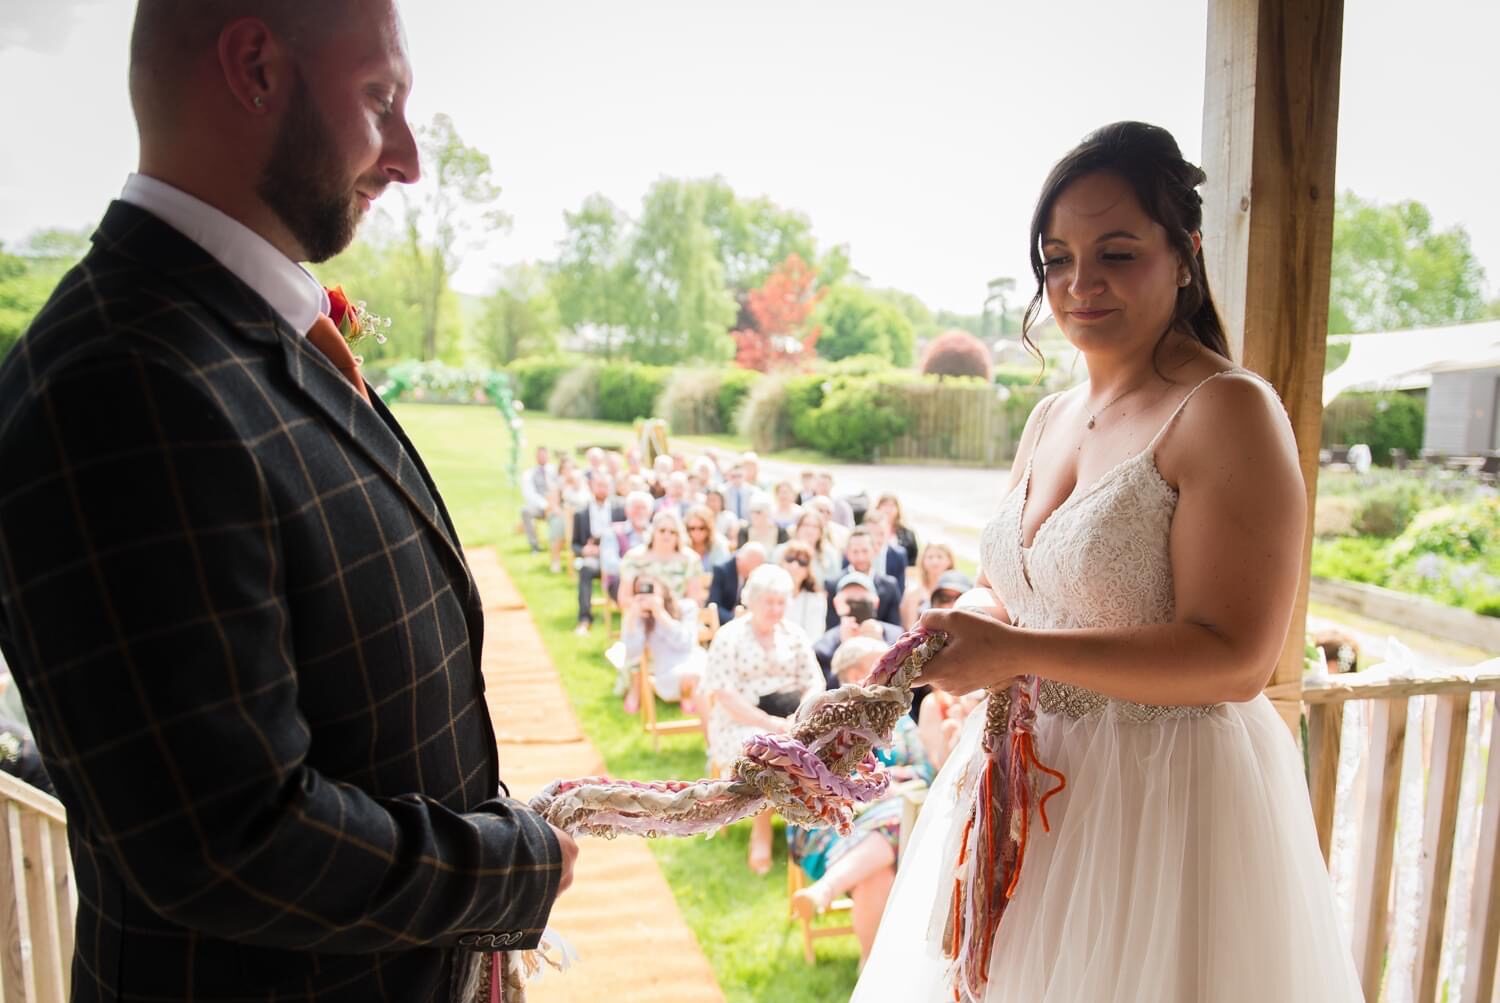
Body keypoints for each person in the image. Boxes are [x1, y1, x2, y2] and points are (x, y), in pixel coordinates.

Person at [0, 4, 577, 999]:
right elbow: (227, 837)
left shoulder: (236, 332)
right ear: (257, 67)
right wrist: (511, 868)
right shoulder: (124, 379)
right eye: (380, 98)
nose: (407, 158)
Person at [852, 122, 1360, 1002]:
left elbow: (1235, 658)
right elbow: (1018, 590)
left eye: (1116, 253)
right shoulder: (1050, 415)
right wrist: (948, 636)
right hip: (1026, 784)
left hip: (1162, 806)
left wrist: (1017, 654)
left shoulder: (1224, 409)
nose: (1080, 284)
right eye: (1057, 260)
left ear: (1184, 255)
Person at [788, 637, 959, 970]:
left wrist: (880, 783)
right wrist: (865, 788)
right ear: (855, 672)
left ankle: (832, 898)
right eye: (880, 664)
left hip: (891, 817)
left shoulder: (899, 719)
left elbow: (924, 770)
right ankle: (872, 967)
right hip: (832, 823)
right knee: (891, 835)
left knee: (880, 866)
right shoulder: (820, 717)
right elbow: (808, 781)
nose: (890, 671)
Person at [700, 564, 825, 874]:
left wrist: (799, 714)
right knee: (767, 751)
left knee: (824, 744)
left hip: (791, 715)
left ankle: (814, 824)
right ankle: (762, 829)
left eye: (781, 602)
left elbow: (815, 682)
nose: (775, 609)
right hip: (740, 719)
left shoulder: (793, 634)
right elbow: (725, 696)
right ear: (752, 601)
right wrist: (770, 723)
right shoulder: (730, 636)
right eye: (769, 602)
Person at [619, 574, 706, 714]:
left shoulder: (686, 607)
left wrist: (661, 614)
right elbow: (631, 653)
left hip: (694, 659)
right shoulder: (638, 616)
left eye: (650, 588)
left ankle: (692, 699)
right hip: (667, 670)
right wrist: (632, 619)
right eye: (640, 590)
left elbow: (686, 643)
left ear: (661, 588)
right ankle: (692, 701)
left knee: (696, 674)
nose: (646, 594)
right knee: (690, 676)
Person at [813, 573, 904, 688]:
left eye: (863, 602)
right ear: (837, 604)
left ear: (876, 602)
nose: (856, 606)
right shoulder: (824, 647)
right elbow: (826, 690)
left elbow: (910, 684)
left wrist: (880, 645)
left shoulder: (898, 638)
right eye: (850, 601)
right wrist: (845, 647)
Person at [573, 475, 624, 634]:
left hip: (615, 556)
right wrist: (584, 551)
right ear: (591, 487)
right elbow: (574, 545)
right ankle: (585, 618)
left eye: (605, 485)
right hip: (593, 557)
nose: (602, 489)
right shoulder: (581, 513)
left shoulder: (620, 509)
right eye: (598, 485)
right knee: (586, 569)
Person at [825, 528, 901, 629]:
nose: (861, 557)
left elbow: (894, 628)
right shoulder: (833, 585)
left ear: (874, 551)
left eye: (865, 551)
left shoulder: (889, 586)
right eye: (855, 552)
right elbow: (831, 627)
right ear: (847, 553)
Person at [619, 508, 697, 602]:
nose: (667, 535)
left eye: (672, 532)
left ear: (678, 536)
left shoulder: (690, 559)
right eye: (662, 530)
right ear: (653, 532)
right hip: (643, 610)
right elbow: (624, 599)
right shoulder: (634, 558)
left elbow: (694, 600)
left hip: (678, 612)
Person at [777, 539, 829, 640]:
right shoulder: (767, 594)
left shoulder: (816, 600)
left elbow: (815, 636)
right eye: (790, 559)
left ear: (808, 571)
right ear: (781, 563)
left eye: (802, 562)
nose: (795, 566)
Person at [899, 543, 959, 628]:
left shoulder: (955, 591)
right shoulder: (914, 592)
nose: (935, 561)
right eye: (930, 557)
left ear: (949, 561)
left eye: (939, 557)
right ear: (923, 561)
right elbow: (910, 627)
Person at [708, 543, 768, 625]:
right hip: (724, 622)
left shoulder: (757, 575)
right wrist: (736, 620)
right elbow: (714, 604)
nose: (755, 568)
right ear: (740, 559)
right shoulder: (722, 570)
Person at [860, 509, 909, 593]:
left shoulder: (898, 556)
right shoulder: (855, 554)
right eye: (871, 534)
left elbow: (899, 590)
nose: (876, 539)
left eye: (881, 534)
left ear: (888, 531)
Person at [520, 444, 556, 553]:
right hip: (540, 507)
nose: (542, 457)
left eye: (544, 455)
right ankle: (535, 545)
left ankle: (558, 544)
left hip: (556, 506)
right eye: (540, 455)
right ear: (536, 457)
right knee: (526, 511)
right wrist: (545, 505)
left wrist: (553, 505)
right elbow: (530, 494)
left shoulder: (555, 471)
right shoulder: (529, 474)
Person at [875, 493, 920, 568]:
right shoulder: (868, 531)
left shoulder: (908, 533)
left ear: (898, 509)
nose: (888, 509)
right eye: (885, 505)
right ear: (878, 508)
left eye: (892, 506)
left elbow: (914, 561)